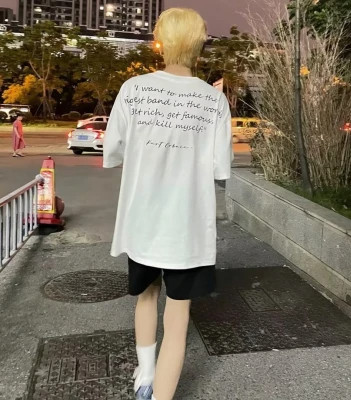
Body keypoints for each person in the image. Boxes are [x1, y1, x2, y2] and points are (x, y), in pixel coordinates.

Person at [103, 8, 233, 400]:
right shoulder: (214, 101)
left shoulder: (134, 89)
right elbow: (220, 168)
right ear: (199, 44)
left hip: (142, 220)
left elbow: (113, 150)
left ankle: (145, 376)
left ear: (162, 42)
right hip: (186, 228)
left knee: (145, 296)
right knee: (178, 317)